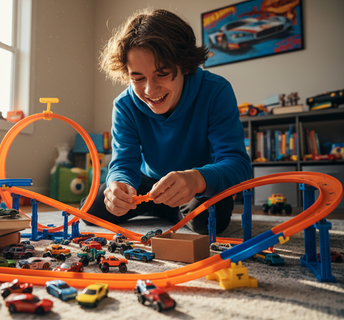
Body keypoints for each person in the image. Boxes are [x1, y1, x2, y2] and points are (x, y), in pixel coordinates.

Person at [82, 8, 251, 235]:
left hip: (199, 184)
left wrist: (197, 179)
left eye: (162, 73)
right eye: (138, 78)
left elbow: (238, 164)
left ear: (185, 64)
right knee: (90, 209)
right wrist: (117, 185)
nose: (150, 90)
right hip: (146, 183)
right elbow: (123, 163)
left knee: (209, 222)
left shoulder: (216, 91)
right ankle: (164, 209)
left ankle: (171, 209)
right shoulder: (124, 105)